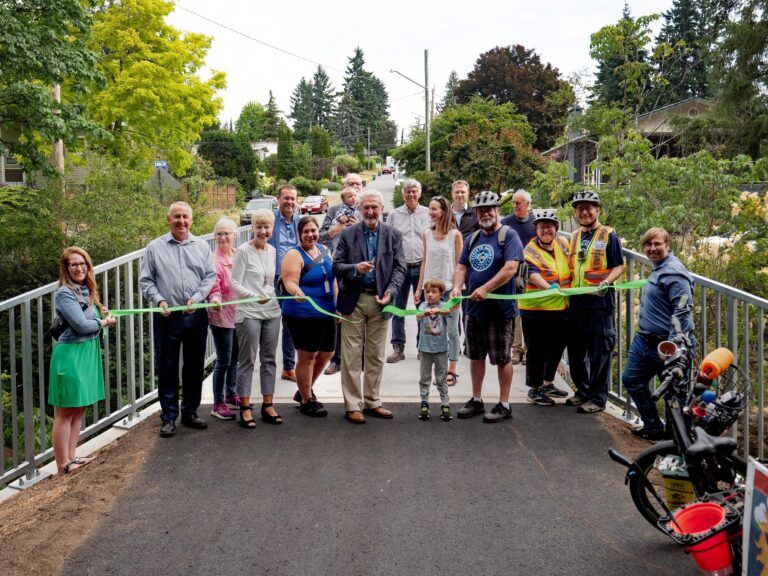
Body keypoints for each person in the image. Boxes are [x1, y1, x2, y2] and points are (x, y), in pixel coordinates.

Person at [139, 201, 216, 438]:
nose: (181, 221)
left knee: (194, 366)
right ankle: (169, 416)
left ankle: (190, 412)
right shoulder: (154, 247)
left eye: (185, 217)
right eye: (177, 217)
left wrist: (196, 297)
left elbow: (210, 276)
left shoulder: (202, 246)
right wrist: (159, 300)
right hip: (167, 316)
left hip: (196, 316)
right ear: (168, 219)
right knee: (168, 366)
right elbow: (146, 280)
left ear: (191, 220)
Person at [332, 189, 406, 424]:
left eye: (375, 207)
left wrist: (391, 292)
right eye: (366, 208)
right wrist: (356, 268)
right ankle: (353, 405)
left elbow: (400, 268)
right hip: (353, 300)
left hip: (380, 301)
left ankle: (372, 401)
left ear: (382, 209)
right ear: (360, 209)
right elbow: (336, 266)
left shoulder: (394, 235)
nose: (371, 211)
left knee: (375, 355)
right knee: (352, 356)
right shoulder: (348, 235)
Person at [451, 191, 523, 423]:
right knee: (475, 356)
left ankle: (504, 403)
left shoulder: (508, 236)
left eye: (489, 209)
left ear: (497, 211)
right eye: (481, 211)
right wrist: (456, 287)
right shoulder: (473, 239)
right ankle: (477, 399)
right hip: (474, 309)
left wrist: (486, 289)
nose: (485, 214)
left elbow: (511, 268)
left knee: (502, 357)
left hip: (500, 311)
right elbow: (461, 267)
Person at [622, 227, 694, 440]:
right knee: (631, 379)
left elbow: (682, 313)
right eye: (648, 244)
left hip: (668, 346)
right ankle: (653, 427)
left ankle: (677, 444)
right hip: (644, 340)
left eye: (657, 244)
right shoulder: (658, 267)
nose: (652, 249)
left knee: (675, 397)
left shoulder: (674, 273)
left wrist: (674, 349)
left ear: (668, 246)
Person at [49, 247, 116, 474]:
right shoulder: (65, 293)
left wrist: (99, 311)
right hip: (71, 355)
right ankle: (62, 464)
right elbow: (80, 325)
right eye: (73, 264)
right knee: (65, 411)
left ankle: (71, 458)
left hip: (86, 352)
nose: (79, 268)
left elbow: (87, 319)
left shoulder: (86, 290)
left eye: (82, 264)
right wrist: (105, 323)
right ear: (66, 269)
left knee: (78, 409)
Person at [566, 188, 625, 414]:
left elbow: (618, 265)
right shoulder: (572, 237)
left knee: (599, 351)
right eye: (580, 209)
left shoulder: (609, 235)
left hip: (600, 303)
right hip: (577, 302)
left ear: (597, 210)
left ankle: (598, 399)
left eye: (589, 209)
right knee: (575, 351)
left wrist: (606, 281)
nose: (584, 213)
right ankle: (582, 390)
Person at [281, 216, 337, 417]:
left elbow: (333, 279)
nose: (311, 234)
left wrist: (336, 306)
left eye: (313, 230)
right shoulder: (294, 254)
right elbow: (289, 281)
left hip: (326, 310)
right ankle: (307, 400)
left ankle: (303, 388)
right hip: (303, 313)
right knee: (308, 356)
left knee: (327, 353)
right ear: (299, 234)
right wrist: (297, 292)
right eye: (306, 231)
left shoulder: (324, 250)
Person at [231, 209, 282, 428]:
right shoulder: (243, 251)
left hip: (271, 311)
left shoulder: (272, 250)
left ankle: (268, 404)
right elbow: (235, 283)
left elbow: (269, 281)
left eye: (267, 227)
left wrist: (268, 294)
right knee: (248, 360)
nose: (263, 231)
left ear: (272, 228)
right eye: (259, 227)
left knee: (269, 358)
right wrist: (254, 296)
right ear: (252, 228)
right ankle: (244, 406)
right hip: (249, 312)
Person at [519, 209, 572, 407]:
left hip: (560, 307)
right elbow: (532, 273)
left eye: (549, 227)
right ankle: (534, 388)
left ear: (556, 228)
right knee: (536, 349)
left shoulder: (563, 244)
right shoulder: (529, 250)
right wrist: (549, 287)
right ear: (536, 230)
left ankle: (547, 382)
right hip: (535, 308)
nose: (545, 231)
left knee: (557, 346)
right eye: (541, 228)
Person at [414, 195, 463, 386]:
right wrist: (419, 289)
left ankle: (452, 370)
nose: (431, 212)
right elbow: (424, 261)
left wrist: (458, 288)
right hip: (430, 291)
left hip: (449, 291)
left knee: (451, 332)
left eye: (434, 209)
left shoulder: (455, 235)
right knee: (432, 331)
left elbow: (460, 264)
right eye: (430, 208)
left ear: (444, 211)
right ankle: (436, 368)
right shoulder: (426, 234)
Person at [385, 178, 430, 363]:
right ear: (403, 194)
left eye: (414, 191)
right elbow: (387, 242)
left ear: (419, 193)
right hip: (400, 269)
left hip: (422, 267)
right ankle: (398, 347)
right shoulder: (394, 215)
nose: (411, 194)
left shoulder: (428, 213)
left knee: (423, 310)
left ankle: (422, 348)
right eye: (408, 191)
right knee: (398, 309)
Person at [321, 184, 360, 377]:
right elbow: (320, 238)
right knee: (338, 313)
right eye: (350, 188)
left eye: (357, 187)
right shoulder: (335, 211)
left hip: (362, 268)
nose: (354, 192)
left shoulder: (367, 209)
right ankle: (336, 359)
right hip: (339, 266)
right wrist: (336, 229)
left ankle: (358, 360)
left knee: (361, 314)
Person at [207, 217, 241, 421]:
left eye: (226, 233)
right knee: (223, 359)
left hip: (240, 314)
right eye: (219, 233)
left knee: (235, 357)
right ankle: (218, 402)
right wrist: (215, 299)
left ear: (234, 235)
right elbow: (214, 286)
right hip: (221, 316)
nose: (222, 237)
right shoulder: (213, 260)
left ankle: (231, 393)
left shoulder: (239, 255)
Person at [268, 184, 300, 383]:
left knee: (290, 324)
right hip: (271, 279)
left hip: (293, 280)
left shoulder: (300, 221)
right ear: (278, 199)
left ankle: (288, 367)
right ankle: (268, 365)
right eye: (286, 198)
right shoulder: (269, 220)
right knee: (270, 324)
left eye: (292, 199)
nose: (289, 202)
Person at [501, 189, 536, 365]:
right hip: (512, 271)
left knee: (529, 312)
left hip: (532, 272)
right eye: (513, 202)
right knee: (515, 312)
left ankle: (530, 349)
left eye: (518, 203)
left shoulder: (536, 223)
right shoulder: (506, 223)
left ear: (528, 205)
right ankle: (516, 349)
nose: (515, 206)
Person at [416, 279, 452, 421]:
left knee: (441, 378)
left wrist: (440, 310)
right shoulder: (423, 306)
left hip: (441, 349)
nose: (430, 295)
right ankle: (424, 403)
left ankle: (445, 403)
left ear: (441, 294)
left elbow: (448, 310)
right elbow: (418, 315)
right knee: (424, 378)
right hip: (425, 349)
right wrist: (424, 313)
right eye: (427, 292)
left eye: (433, 292)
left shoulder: (443, 305)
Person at [319, 173, 364, 250]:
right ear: (344, 187)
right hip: (337, 255)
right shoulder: (334, 209)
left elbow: (375, 236)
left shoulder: (368, 209)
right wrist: (333, 231)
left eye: (358, 184)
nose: (355, 186)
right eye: (351, 184)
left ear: (362, 187)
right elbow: (320, 238)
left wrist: (360, 228)